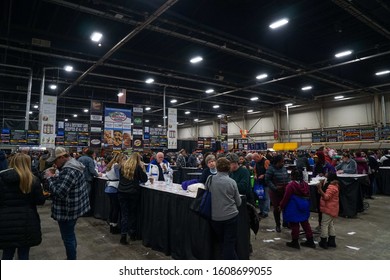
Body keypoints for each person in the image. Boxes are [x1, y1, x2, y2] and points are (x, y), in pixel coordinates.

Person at [45, 147, 90, 260]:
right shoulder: (75, 165)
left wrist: (49, 178)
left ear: (61, 158)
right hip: (75, 207)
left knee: (68, 237)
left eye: (55, 160)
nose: (55, 163)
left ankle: (71, 259)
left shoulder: (69, 170)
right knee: (70, 235)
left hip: (67, 210)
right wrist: (57, 176)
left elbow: (59, 192)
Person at [0, 153, 45, 260]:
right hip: (27, 221)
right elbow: (40, 201)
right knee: (24, 254)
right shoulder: (33, 180)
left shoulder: (1, 179)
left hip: (5, 221)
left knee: (7, 253)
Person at [207, 157, 241, 259]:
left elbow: (207, 193)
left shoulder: (210, 179)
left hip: (215, 217)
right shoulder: (232, 182)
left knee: (222, 242)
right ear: (228, 168)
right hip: (230, 216)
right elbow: (238, 202)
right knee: (229, 244)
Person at [279, 169, 315, 249]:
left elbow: (286, 197)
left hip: (294, 206)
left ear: (292, 176)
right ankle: (310, 241)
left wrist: (281, 206)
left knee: (294, 224)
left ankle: (295, 242)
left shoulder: (291, 185)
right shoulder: (305, 184)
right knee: (305, 223)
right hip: (304, 206)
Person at [118, 152, 148, 245]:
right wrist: (143, 169)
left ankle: (123, 235)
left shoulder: (122, 167)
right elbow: (144, 179)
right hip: (133, 193)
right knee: (132, 214)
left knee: (124, 214)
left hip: (121, 191)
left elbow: (120, 178)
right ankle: (132, 234)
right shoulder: (137, 167)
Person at [265, 154, 290, 232]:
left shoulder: (284, 168)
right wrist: (275, 188)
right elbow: (267, 180)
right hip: (275, 192)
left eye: (283, 162)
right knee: (277, 208)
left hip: (284, 190)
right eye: (281, 162)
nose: (282, 163)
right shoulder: (270, 169)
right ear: (276, 162)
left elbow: (287, 177)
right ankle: (278, 225)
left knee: (285, 207)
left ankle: (286, 222)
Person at [104, 153, 127, 234]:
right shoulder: (117, 166)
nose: (125, 161)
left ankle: (111, 225)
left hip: (109, 188)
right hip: (115, 188)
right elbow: (119, 177)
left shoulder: (110, 165)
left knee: (113, 208)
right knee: (116, 209)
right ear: (120, 159)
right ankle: (114, 227)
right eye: (124, 159)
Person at [317, 179, 340, 249]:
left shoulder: (331, 187)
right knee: (330, 224)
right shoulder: (336, 187)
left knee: (324, 224)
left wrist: (319, 188)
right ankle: (332, 241)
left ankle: (323, 242)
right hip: (333, 209)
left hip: (328, 209)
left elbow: (326, 197)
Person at [253, 153, 270, 218]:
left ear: (258, 157)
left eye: (255, 159)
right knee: (260, 197)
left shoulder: (266, 161)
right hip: (259, 183)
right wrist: (255, 175)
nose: (254, 161)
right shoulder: (256, 163)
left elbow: (269, 171)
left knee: (266, 198)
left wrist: (264, 175)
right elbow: (255, 170)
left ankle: (265, 212)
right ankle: (261, 211)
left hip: (265, 183)